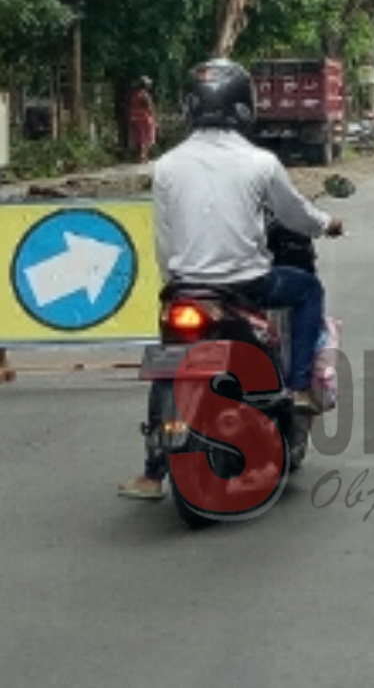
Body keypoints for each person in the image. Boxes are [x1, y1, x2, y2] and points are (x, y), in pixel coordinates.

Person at [117, 58, 344, 501]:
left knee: (168, 362)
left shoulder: (165, 166)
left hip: (185, 290)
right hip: (248, 286)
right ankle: (298, 387)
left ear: (189, 107)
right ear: (244, 106)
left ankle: (150, 473)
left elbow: (164, 237)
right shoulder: (260, 162)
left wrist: (175, 281)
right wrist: (327, 223)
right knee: (308, 289)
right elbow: (296, 215)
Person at [128, 77, 157, 163]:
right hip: (144, 118)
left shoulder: (134, 95)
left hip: (135, 118)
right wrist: (154, 119)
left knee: (139, 138)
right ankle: (143, 157)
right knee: (147, 138)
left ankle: (140, 157)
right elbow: (150, 108)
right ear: (146, 85)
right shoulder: (145, 95)